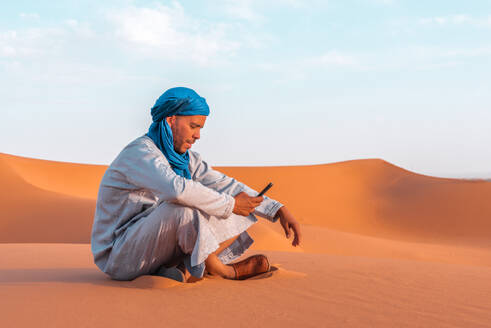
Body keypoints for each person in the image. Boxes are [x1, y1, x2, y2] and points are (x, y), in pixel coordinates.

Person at [91, 87, 302, 282]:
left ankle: (176, 268)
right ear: (171, 120)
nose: (198, 135)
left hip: (151, 247)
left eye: (200, 128)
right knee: (182, 207)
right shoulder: (140, 153)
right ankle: (223, 270)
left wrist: (277, 209)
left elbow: (224, 185)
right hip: (121, 255)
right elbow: (176, 189)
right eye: (193, 126)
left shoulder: (185, 159)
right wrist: (229, 205)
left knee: (241, 207)